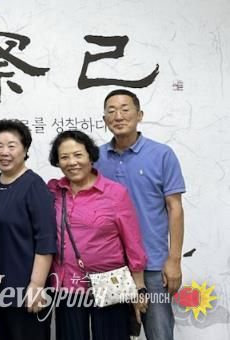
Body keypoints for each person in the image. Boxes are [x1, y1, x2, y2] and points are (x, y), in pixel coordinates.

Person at [96, 89, 185, 340]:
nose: (118, 116)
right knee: (112, 335)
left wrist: (174, 260)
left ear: (140, 115)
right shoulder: (95, 158)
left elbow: (175, 208)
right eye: (111, 111)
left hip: (153, 264)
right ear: (104, 120)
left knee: (159, 333)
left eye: (125, 109)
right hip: (110, 267)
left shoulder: (162, 154)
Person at [48, 130, 147, 340]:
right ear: (57, 161)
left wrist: (139, 287)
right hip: (68, 284)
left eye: (78, 155)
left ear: (90, 156)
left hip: (110, 283)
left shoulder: (115, 193)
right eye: (64, 157)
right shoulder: (54, 191)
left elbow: (133, 241)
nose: (72, 162)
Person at [0, 119, 57, 340]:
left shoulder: (34, 185)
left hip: (27, 290)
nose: (4, 152)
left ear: (25, 150)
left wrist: (36, 285)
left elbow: (46, 240)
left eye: (11, 146)